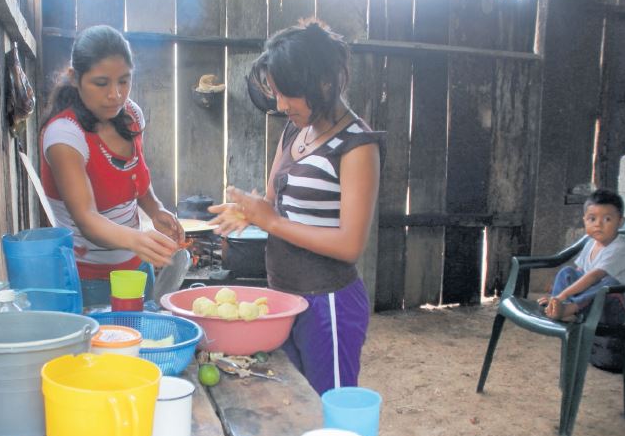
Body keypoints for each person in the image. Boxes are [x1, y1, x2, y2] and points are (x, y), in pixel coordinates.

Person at [209, 20, 384, 396]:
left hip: (329, 303)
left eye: (289, 93)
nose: (280, 104)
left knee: (328, 406)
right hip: (284, 296)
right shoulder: (294, 131)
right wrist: (249, 211)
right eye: (276, 93)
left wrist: (270, 221)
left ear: (323, 82)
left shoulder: (357, 146)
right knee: (293, 403)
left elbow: (350, 245)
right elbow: (273, 203)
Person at [40, 25, 186, 308]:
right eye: (101, 83)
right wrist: (137, 239)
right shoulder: (64, 136)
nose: (115, 95)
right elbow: (87, 219)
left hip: (137, 271)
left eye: (124, 81)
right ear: (75, 78)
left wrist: (156, 210)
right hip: (88, 281)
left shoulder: (131, 115)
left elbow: (135, 179)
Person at [538, 188, 625, 324]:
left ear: (620, 222)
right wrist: (559, 296)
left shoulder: (619, 249)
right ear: (584, 220)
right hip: (589, 303)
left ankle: (568, 308)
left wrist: (563, 295)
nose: (598, 224)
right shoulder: (591, 243)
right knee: (568, 272)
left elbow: (593, 277)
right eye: (592, 219)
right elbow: (580, 273)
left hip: (612, 310)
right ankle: (556, 306)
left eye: (607, 219)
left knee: (608, 284)